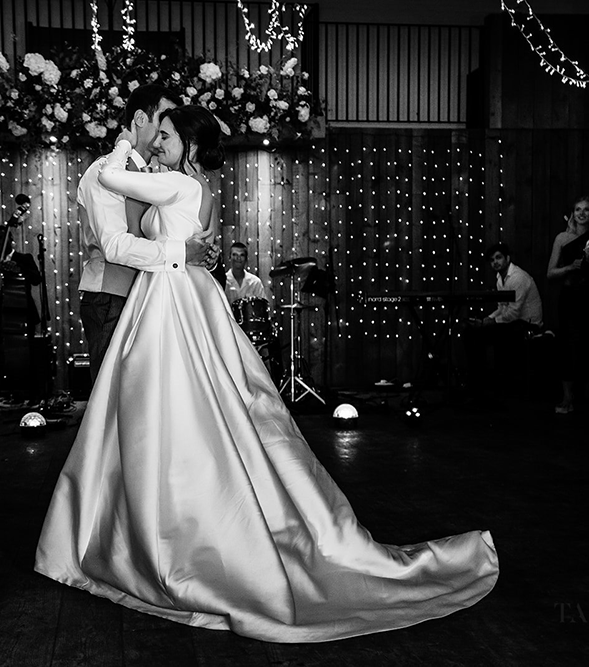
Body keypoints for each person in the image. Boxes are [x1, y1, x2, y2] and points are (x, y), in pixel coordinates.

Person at [35, 106, 498, 643]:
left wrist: (123, 143)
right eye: (156, 132)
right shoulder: (193, 186)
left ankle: (174, 519)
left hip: (173, 297)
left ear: (189, 143)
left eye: (166, 134)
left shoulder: (178, 184)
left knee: (171, 401)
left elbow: (120, 191)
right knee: (182, 400)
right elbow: (152, 233)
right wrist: (179, 241)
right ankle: (159, 509)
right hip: (174, 291)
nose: (157, 141)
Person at [76, 84, 217, 382]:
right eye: (165, 117)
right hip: (112, 298)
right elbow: (115, 245)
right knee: (114, 393)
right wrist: (181, 253)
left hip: (155, 298)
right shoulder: (102, 172)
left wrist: (203, 254)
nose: (172, 125)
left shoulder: (162, 175)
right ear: (140, 119)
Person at [546, 196, 589, 415]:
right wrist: (570, 267)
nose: (582, 213)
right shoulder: (562, 238)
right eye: (578, 210)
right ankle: (567, 397)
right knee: (568, 345)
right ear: (573, 213)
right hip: (570, 296)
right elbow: (550, 272)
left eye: (587, 210)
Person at [465, 243, 544, 393]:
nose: (495, 262)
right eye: (492, 260)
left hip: (528, 325)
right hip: (515, 322)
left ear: (507, 258)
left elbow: (513, 313)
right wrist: (486, 320)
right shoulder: (500, 279)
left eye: (498, 257)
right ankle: (479, 383)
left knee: (485, 335)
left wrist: (490, 322)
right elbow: (502, 308)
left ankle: (486, 384)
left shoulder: (518, 278)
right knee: (472, 333)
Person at [0, 225, 41, 332]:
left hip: (25, 313)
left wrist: (19, 269)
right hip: (4, 317)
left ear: (10, 238)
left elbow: (36, 280)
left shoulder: (25, 259)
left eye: (1, 238)